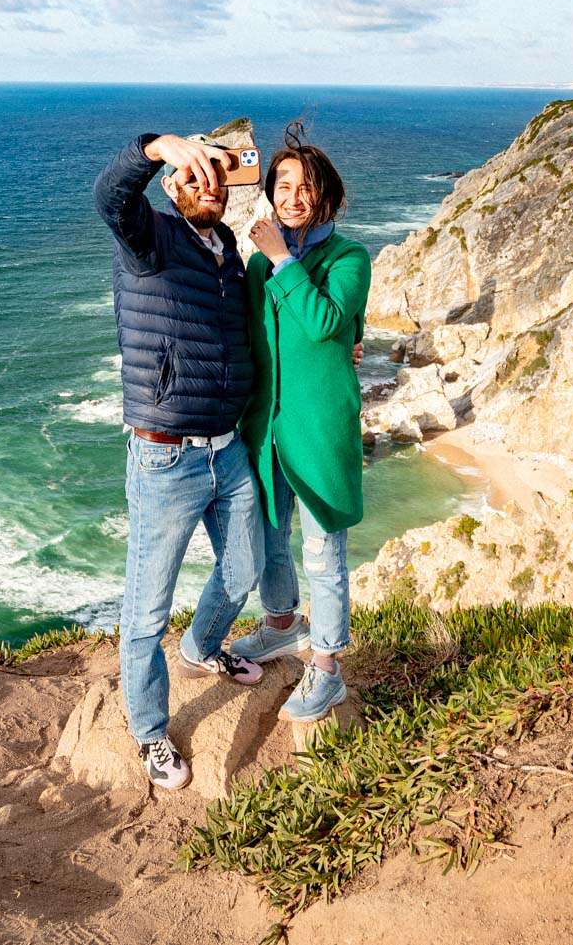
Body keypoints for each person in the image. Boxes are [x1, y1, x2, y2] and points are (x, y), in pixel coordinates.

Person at [93, 131, 267, 791]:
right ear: (172, 185)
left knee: (246, 563)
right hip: (166, 459)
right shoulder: (149, 239)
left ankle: (202, 647)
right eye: (196, 179)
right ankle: (149, 732)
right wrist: (154, 147)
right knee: (145, 609)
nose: (209, 189)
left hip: (228, 449)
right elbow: (109, 198)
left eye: (218, 181)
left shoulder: (226, 252)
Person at [229, 126, 371, 723]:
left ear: (326, 197)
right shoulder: (260, 264)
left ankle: (329, 667)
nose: (291, 195)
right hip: (266, 427)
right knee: (269, 540)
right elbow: (251, 336)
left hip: (318, 431)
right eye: (281, 184)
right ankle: (282, 623)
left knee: (323, 553)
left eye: (304, 186)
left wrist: (285, 260)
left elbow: (324, 324)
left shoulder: (349, 257)